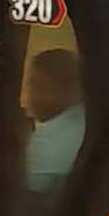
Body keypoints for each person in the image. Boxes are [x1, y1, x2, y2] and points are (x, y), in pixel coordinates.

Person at [25, 48, 85, 193]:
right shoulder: (85, 118)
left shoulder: (48, 142)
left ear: (71, 91)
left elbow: (24, 199)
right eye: (31, 86)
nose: (31, 96)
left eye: (42, 88)